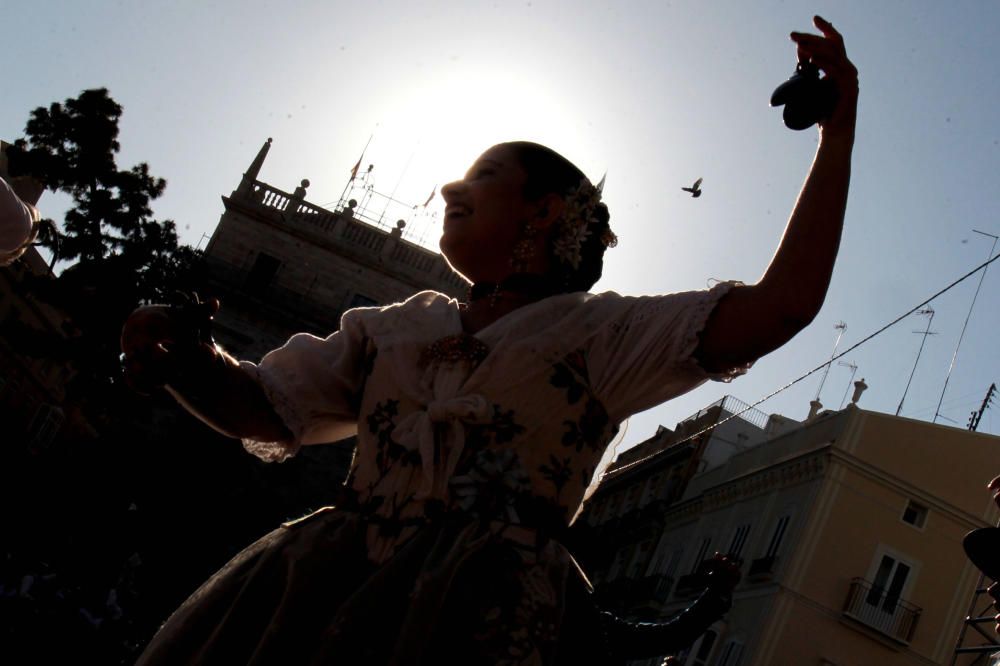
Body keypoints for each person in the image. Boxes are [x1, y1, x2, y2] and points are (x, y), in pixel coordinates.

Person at [121, 15, 857, 665]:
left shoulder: (607, 334)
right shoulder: (395, 324)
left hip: (488, 620)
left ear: (543, 213)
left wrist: (836, 135)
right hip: (320, 591)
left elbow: (783, 306)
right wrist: (187, 360)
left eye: (485, 175)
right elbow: (264, 406)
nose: (450, 188)